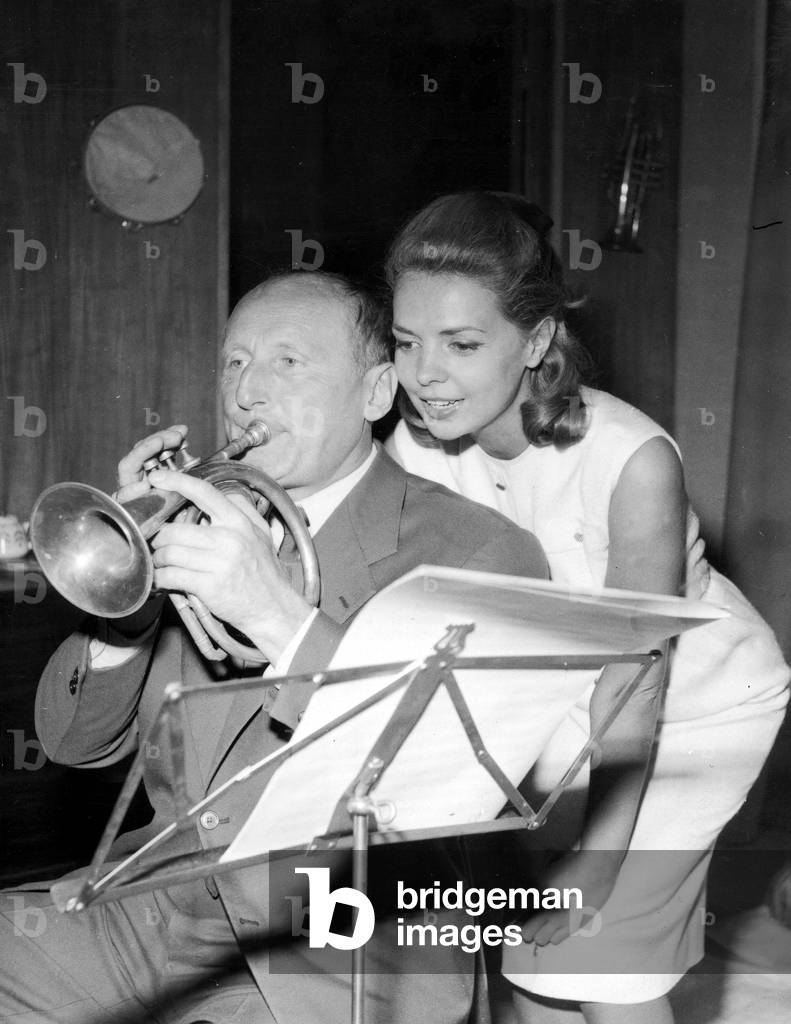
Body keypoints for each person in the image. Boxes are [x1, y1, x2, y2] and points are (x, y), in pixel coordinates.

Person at [0, 270, 549, 1024]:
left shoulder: (479, 550)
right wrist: (130, 601)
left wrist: (278, 619)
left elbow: (447, 781)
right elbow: (70, 744)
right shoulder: (207, 521)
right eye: (234, 362)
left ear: (375, 392)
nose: (247, 392)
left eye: (288, 362)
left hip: (333, 942)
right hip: (151, 906)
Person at [383, 191, 791, 1024]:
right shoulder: (414, 445)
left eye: (461, 344)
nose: (425, 374)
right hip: (562, 703)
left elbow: (637, 682)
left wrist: (597, 861)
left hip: (691, 708)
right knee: (536, 956)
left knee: (603, 954)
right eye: (404, 342)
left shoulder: (628, 459)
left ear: (535, 340)